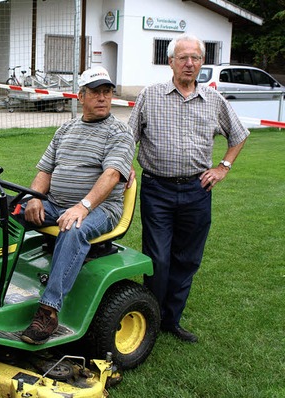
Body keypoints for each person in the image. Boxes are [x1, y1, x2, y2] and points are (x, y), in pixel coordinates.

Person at [128, 33, 249, 343]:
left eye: (195, 57)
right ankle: (149, 320)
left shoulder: (213, 100)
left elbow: (239, 134)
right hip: (158, 190)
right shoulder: (150, 96)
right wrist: (125, 164)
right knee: (158, 258)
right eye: (183, 57)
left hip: (197, 192)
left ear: (202, 62)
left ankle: (171, 320)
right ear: (171, 62)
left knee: (187, 259)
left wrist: (223, 167)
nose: (190, 63)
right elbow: (129, 136)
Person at [19, 66, 135, 344]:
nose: (103, 98)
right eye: (96, 93)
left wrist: (82, 206)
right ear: (80, 96)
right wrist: (34, 197)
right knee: (3, 210)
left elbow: (111, 175)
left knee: (73, 228)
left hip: (100, 209)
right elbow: (45, 171)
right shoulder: (65, 129)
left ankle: (48, 311)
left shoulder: (120, 133)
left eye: (107, 92)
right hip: (56, 203)